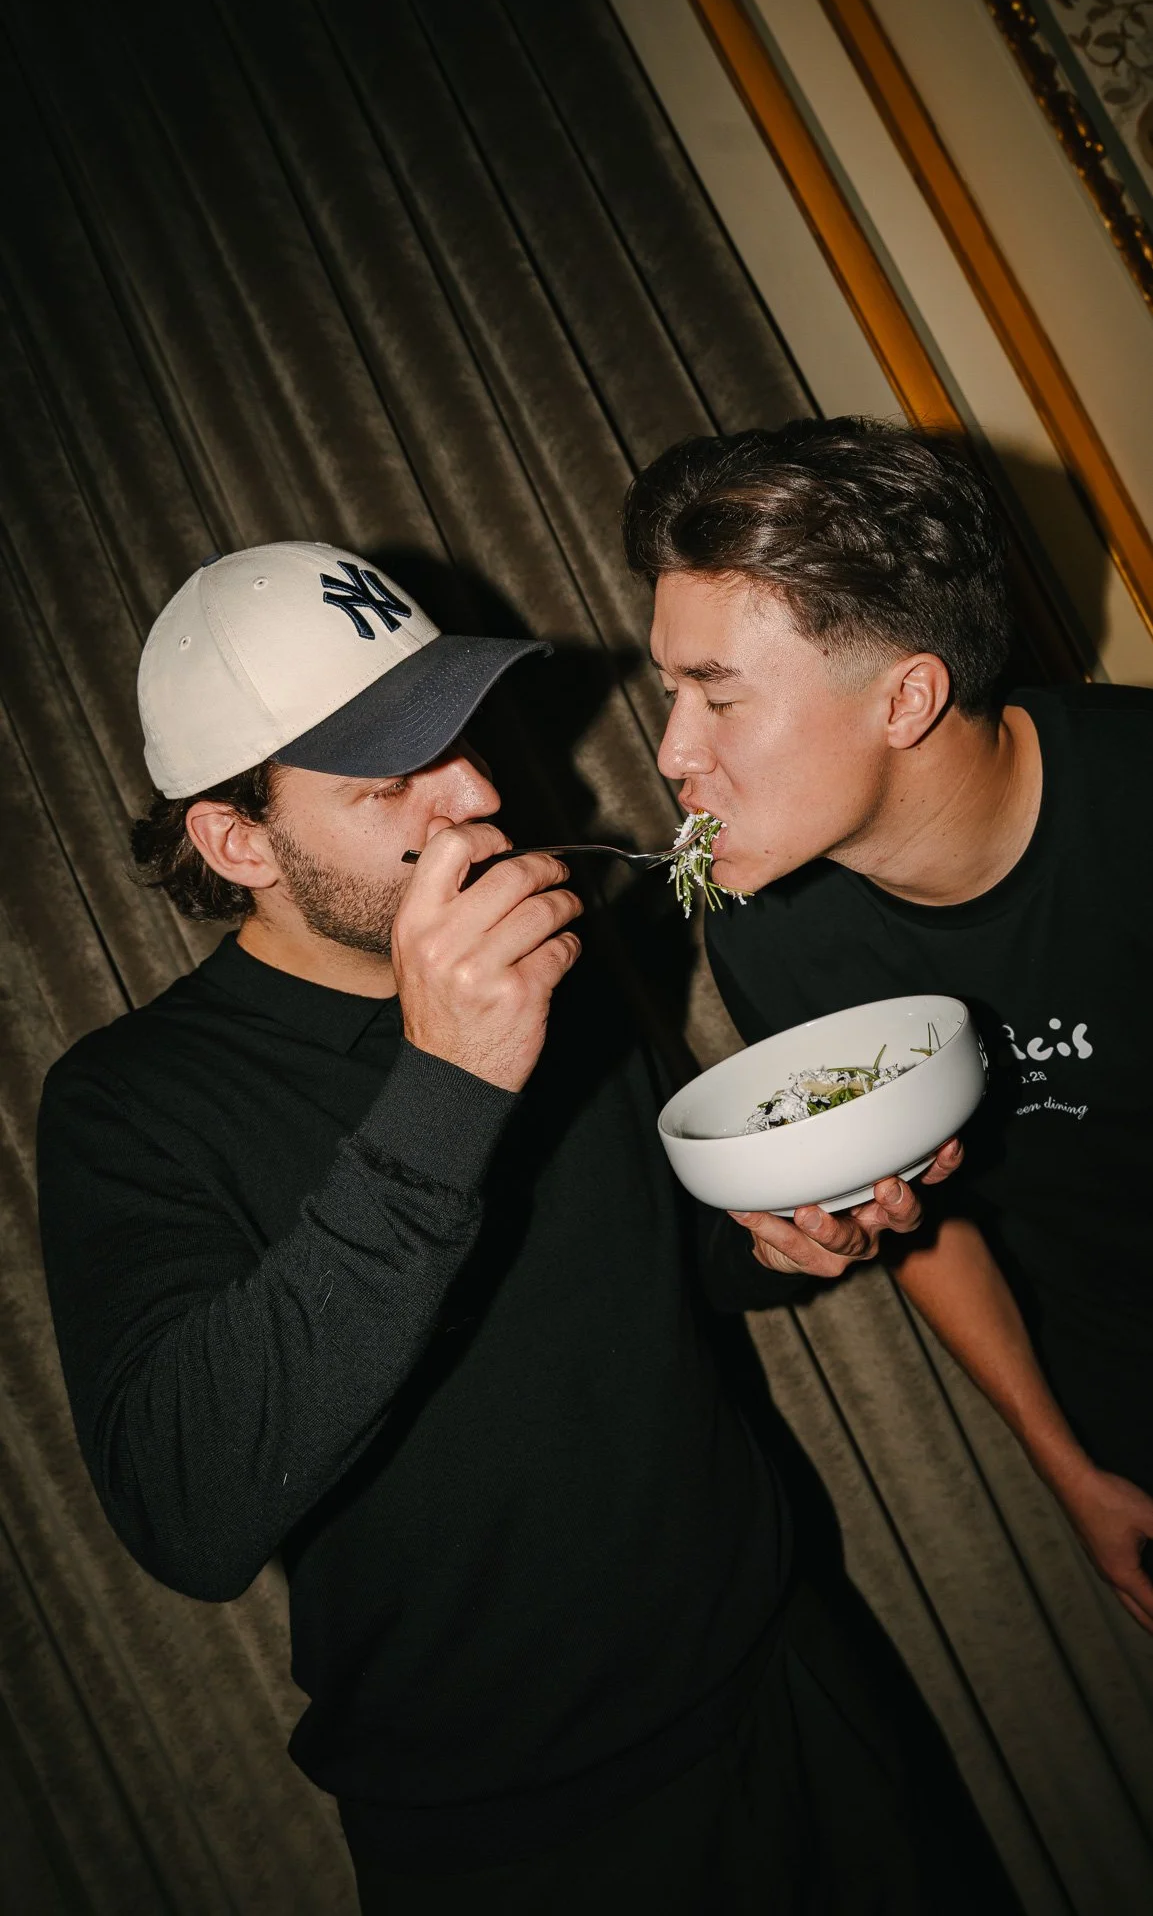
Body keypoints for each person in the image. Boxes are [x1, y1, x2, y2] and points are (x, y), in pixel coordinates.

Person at [36, 539, 1007, 1914]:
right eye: (390, 781)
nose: (480, 794)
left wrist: (780, 1230)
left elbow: (666, 1252)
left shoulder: (544, 945)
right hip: (527, 1829)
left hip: (791, 1673)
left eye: (460, 735)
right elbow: (185, 1513)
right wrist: (449, 1081)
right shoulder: (131, 1103)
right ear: (238, 840)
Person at [623, 417, 1153, 1637]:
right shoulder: (768, 930)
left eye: (719, 695)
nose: (672, 752)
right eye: (670, 692)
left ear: (906, 696)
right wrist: (1068, 1467)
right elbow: (926, 1220)